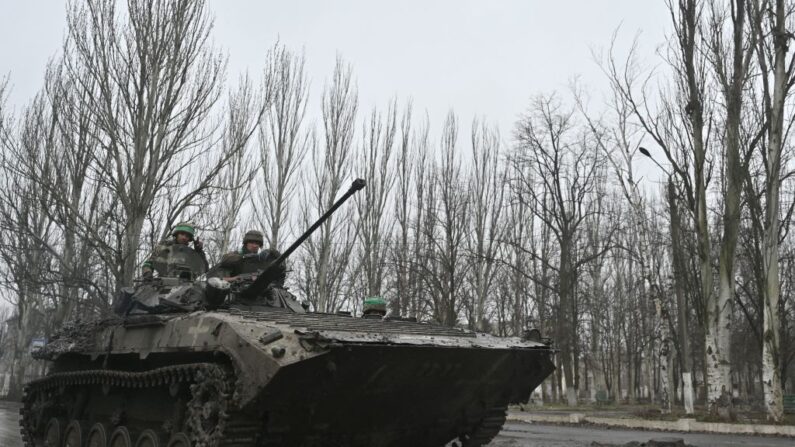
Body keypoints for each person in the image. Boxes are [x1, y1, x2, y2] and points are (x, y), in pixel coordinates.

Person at [210, 230, 286, 286]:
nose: (255, 245)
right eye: (252, 243)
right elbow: (224, 262)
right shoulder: (235, 256)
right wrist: (235, 278)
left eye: (257, 243)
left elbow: (278, 278)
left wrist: (273, 252)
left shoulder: (261, 261)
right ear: (246, 244)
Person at [141, 222, 209, 280]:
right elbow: (148, 264)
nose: (184, 238)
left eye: (187, 236)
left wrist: (199, 252)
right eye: (182, 234)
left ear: (189, 239)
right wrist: (147, 273)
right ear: (176, 235)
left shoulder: (191, 254)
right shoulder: (163, 247)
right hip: (164, 285)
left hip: (187, 288)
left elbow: (204, 269)